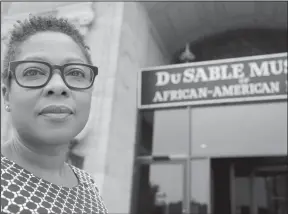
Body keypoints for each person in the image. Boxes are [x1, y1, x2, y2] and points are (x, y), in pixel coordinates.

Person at [1, 15, 108, 214]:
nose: (58, 86)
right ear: (7, 95)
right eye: (33, 72)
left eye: (75, 73)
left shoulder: (88, 185)